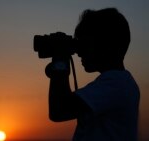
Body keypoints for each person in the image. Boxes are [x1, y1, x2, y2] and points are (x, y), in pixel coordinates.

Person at [45, 8, 140, 141]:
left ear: (107, 45)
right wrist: (58, 66)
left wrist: (60, 59)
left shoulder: (117, 83)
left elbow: (59, 110)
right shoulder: (117, 82)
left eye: (85, 43)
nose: (79, 52)